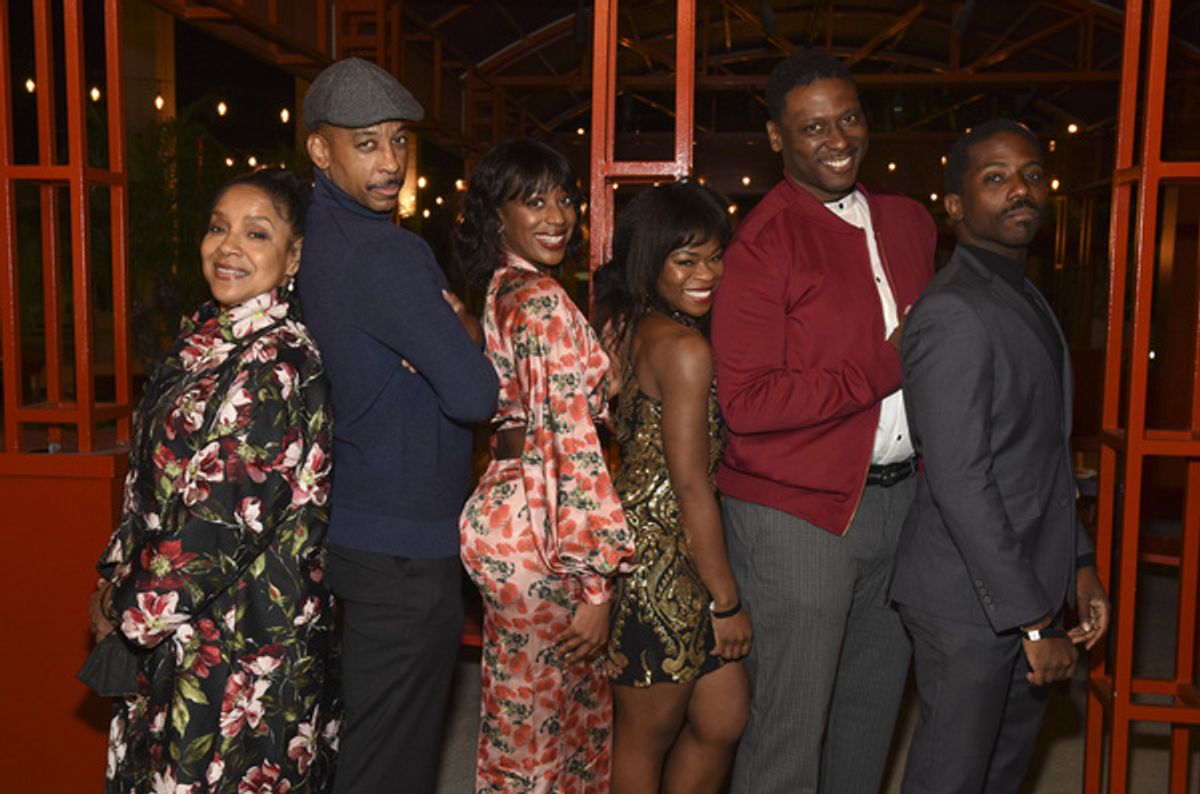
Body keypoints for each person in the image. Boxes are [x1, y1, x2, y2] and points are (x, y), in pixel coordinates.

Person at [709, 49, 937, 793]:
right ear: (778, 137)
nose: (837, 138)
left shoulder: (910, 223)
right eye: (812, 127)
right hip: (796, 516)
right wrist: (886, 362)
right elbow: (747, 403)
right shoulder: (762, 243)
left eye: (848, 118)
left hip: (903, 504)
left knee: (869, 720)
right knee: (789, 730)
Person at [88, 168, 339, 791]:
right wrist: (115, 572)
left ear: (293, 255)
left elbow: (211, 525)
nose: (229, 247)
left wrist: (126, 610)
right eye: (218, 227)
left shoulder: (273, 365)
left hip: (240, 653)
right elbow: (151, 487)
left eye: (256, 234)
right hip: (182, 633)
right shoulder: (208, 339)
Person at [297, 57, 500, 793]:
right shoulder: (387, 252)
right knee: (393, 763)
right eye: (367, 144)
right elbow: (476, 395)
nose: (391, 163)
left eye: (399, 142)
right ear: (320, 150)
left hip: (350, 526)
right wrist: (468, 336)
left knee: (359, 741)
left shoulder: (310, 240)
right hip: (408, 549)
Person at [892, 119, 1110, 793]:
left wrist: (1076, 564)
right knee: (950, 780)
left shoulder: (1023, 292)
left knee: (1001, 776)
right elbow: (960, 478)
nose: (1021, 190)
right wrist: (1034, 620)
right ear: (954, 205)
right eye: (995, 178)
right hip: (969, 600)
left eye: (1032, 175)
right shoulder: (954, 312)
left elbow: (1040, 458)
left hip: (1025, 582)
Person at [455, 139, 636, 793]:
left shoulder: (505, 290)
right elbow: (570, 444)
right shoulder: (541, 302)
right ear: (496, 216)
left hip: (508, 510)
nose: (557, 213)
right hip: (542, 527)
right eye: (533, 201)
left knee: (521, 717)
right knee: (551, 727)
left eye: (563, 197)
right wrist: (596, 583)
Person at [592, 181, 751, 794]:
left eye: (715, 255)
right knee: (645, 736)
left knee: (723, 718)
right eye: (686, 260)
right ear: (649, 262)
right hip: (661, 560)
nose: (707, 273)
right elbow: (690, 484)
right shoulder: (683, 347)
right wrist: (727, 602)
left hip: (670, 544)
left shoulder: (630, 323)